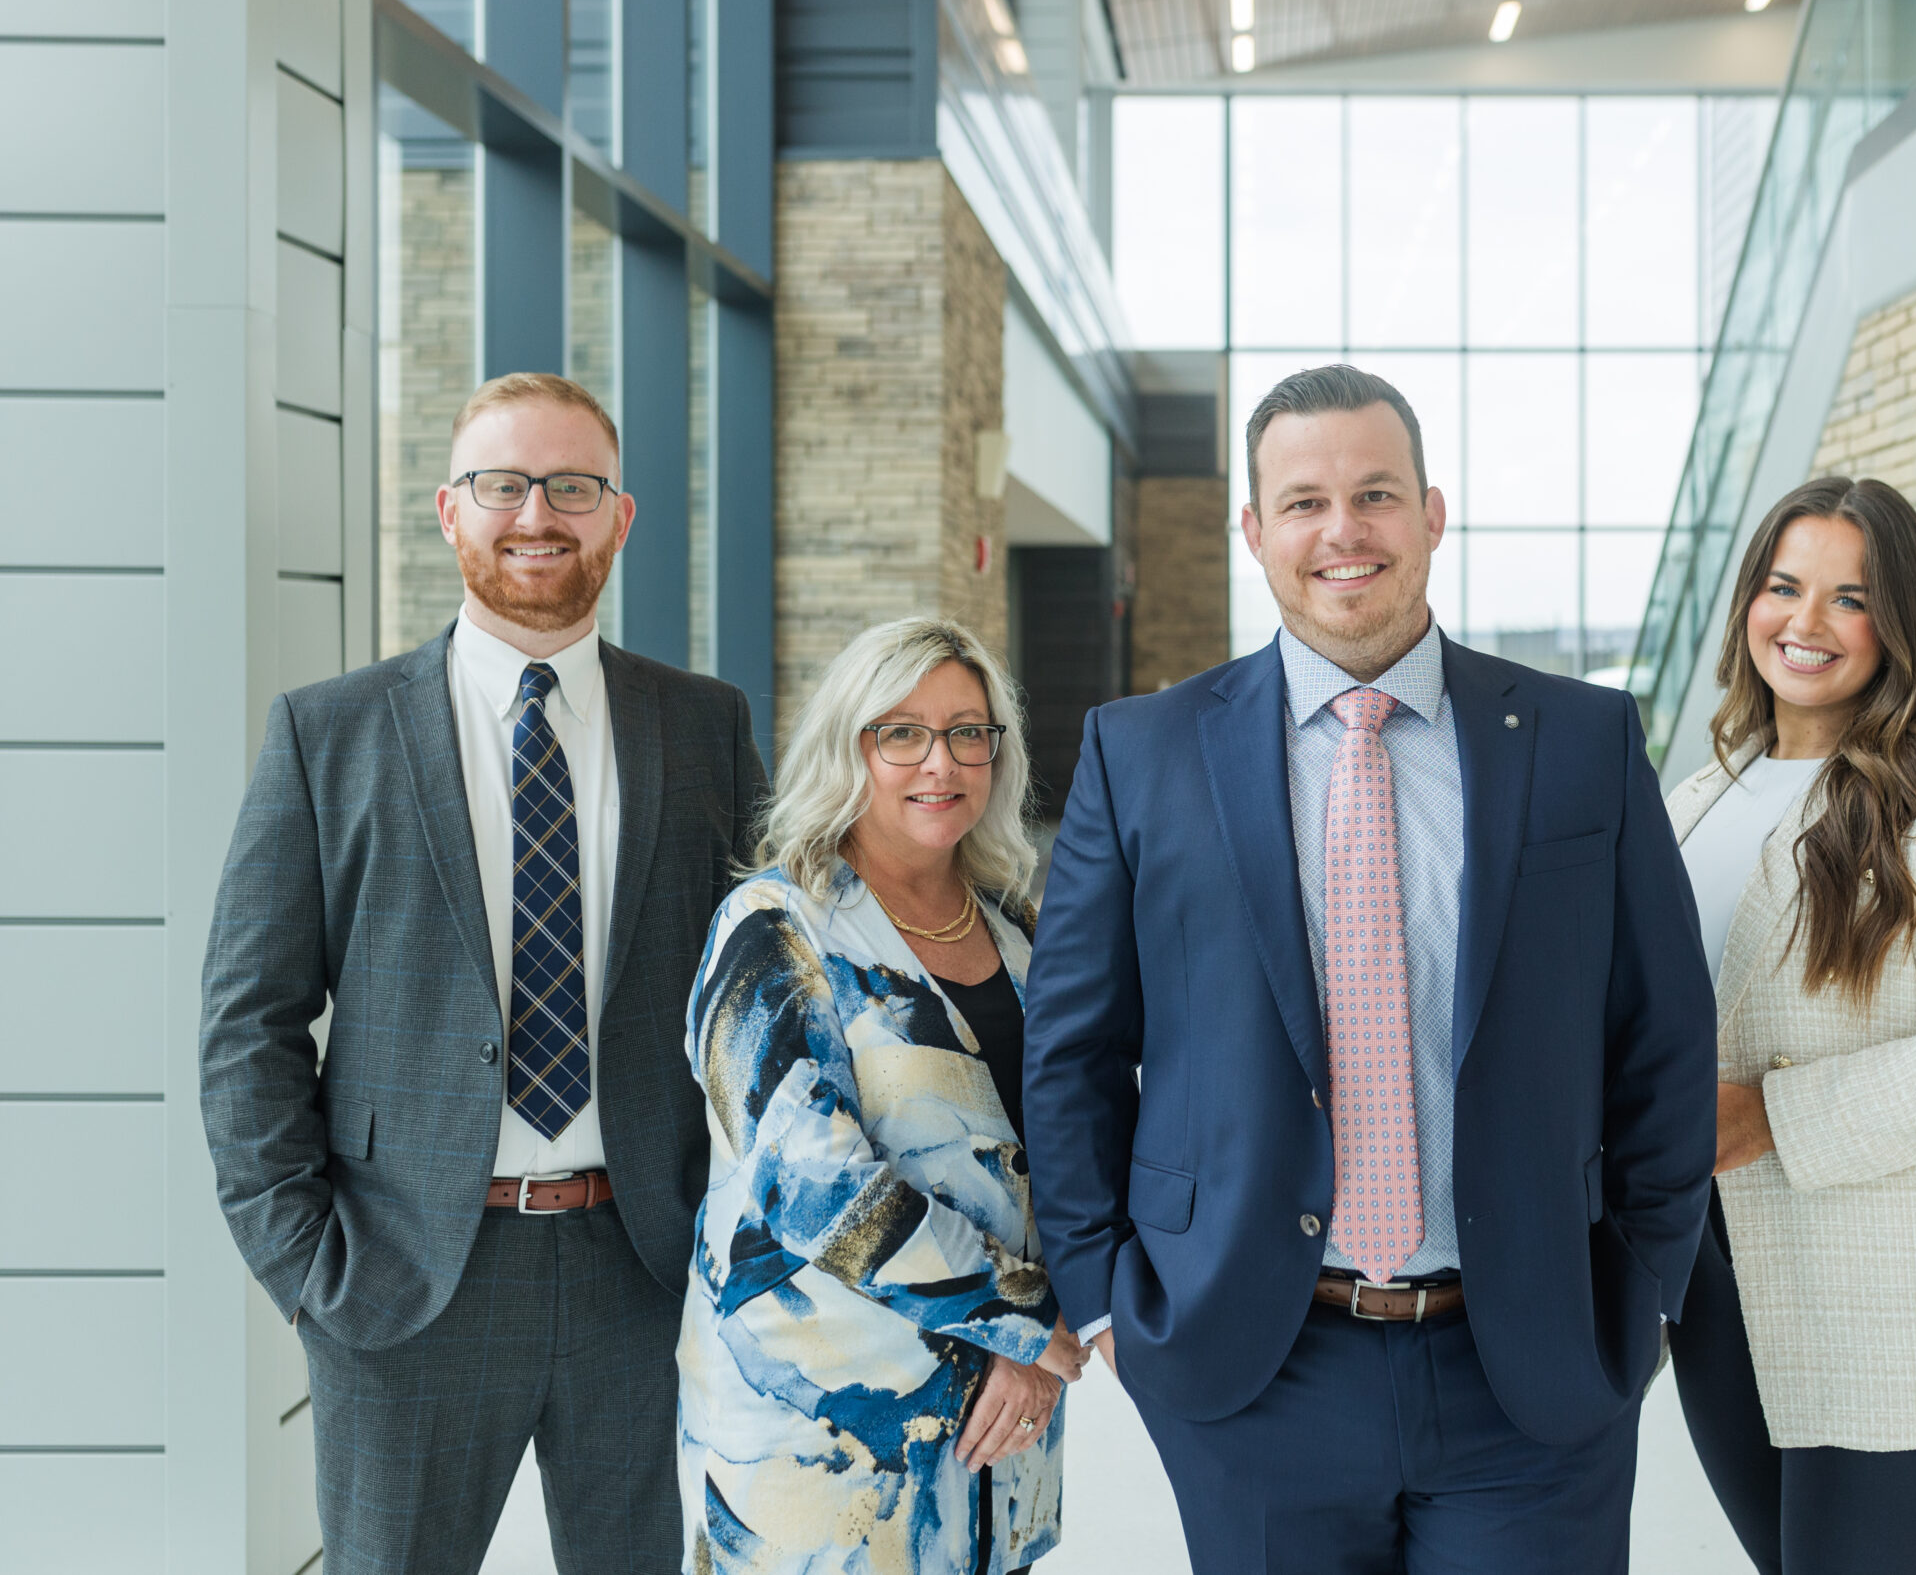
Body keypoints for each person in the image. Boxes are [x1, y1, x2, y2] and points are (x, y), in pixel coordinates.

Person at [1022, 364, 1718, 1575]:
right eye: (1301, 502)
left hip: (1531, 1366)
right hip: (1254, 1366)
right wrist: (1100, 1295)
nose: (1341, 531)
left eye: (1375, 494)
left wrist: (1644, 1285)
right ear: (1253, 531)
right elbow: (1074, 1049)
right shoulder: (1140, 753)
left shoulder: (1581, 743)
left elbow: (1662, 1034)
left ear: (1432, 515)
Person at [199, 372, 769, 1574]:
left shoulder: (705, 727)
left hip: (645, 1271)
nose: (536, 515)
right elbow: (247, 1027)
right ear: (449, 512)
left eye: (573, 485)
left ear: (621, 517)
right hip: (404, 1279)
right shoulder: (328, 734)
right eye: (503, 484)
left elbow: (757, 1001)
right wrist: (306, 1270)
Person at [1660, 476, 1916, 1575]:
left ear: (1900, 624)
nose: (1805, 622)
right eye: (1784, 587)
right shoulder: (1695, 795)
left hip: (1899, 1307)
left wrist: (1765, 1117)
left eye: (1850, 598)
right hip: (1720, 1290)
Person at [678, 617, 1087, 1575]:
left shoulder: (1021, 929)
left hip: (995, 1452)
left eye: (966, 732)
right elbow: (814, 1190)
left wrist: (1040, 1335)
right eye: (899, 732)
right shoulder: (775, 928)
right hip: (826, 1454)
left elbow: (1081, 1142)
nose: (938, 761)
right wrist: (1026, 1324)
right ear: (846, 746)